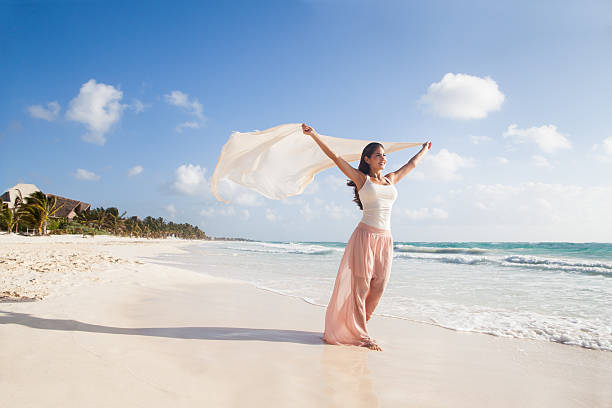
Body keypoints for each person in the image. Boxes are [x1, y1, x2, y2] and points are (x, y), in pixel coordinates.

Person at [301, 123, 431, 351]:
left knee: (379, 286)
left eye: (384, 155)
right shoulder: (362, 179)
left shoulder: (391, 179)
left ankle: (356, 327)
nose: (383, 158)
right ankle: (363, 336)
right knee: (360, 288)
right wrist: (314, 135)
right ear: (367, 159)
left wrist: (424, 150)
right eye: (378, 155)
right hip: (365, 237)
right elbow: (335, 157)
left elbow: (412, 164)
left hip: (385, 239)